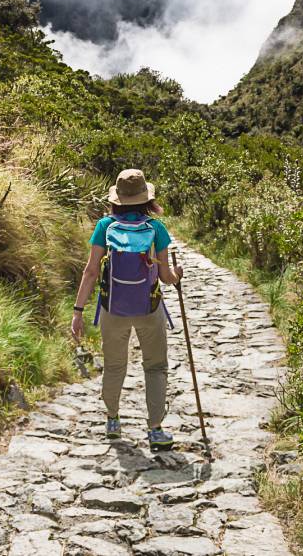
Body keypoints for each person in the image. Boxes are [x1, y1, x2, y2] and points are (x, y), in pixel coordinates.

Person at [71, 168, 183, 451]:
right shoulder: (156, 228)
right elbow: (166, 277)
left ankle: (112, 420)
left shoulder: (104, 226)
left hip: (113, 308)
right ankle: (155, 429)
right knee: (155, 367)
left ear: (118, 198)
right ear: (146, 198)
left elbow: (91, 271)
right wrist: (178, 275)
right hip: (149, 308)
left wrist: (78, 310)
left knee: (115, 365)